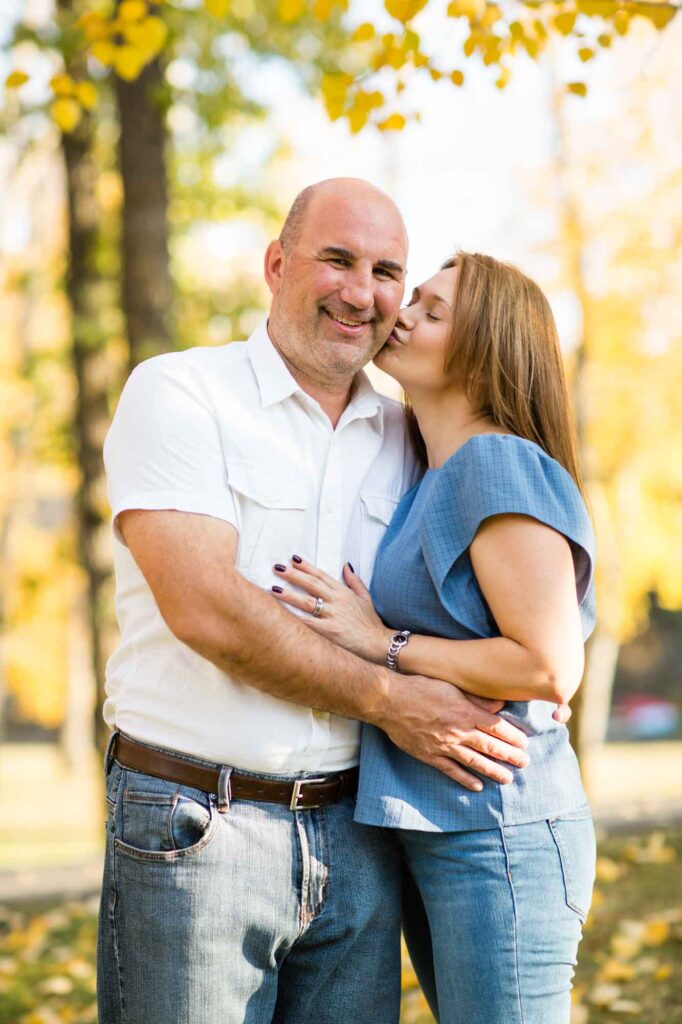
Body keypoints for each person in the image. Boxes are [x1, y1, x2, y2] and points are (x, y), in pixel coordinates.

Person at [97, 182, 534, 1024]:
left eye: (385, 272)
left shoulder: (412, 434)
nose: (360, 292)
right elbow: (206, 609)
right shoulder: (182, 392)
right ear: (277, 264)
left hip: (359, 838)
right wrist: (394, 698)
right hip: (197, 824)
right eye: (337, 259)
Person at [271, 251, 596, 1024]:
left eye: (433, 309)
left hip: (499, 832)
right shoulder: (432, 473)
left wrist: (382, 643)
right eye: (412, 297)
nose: (402, 312)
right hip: (441, 830)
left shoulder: (493, 463)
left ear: (485, 347)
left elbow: (550, 666)